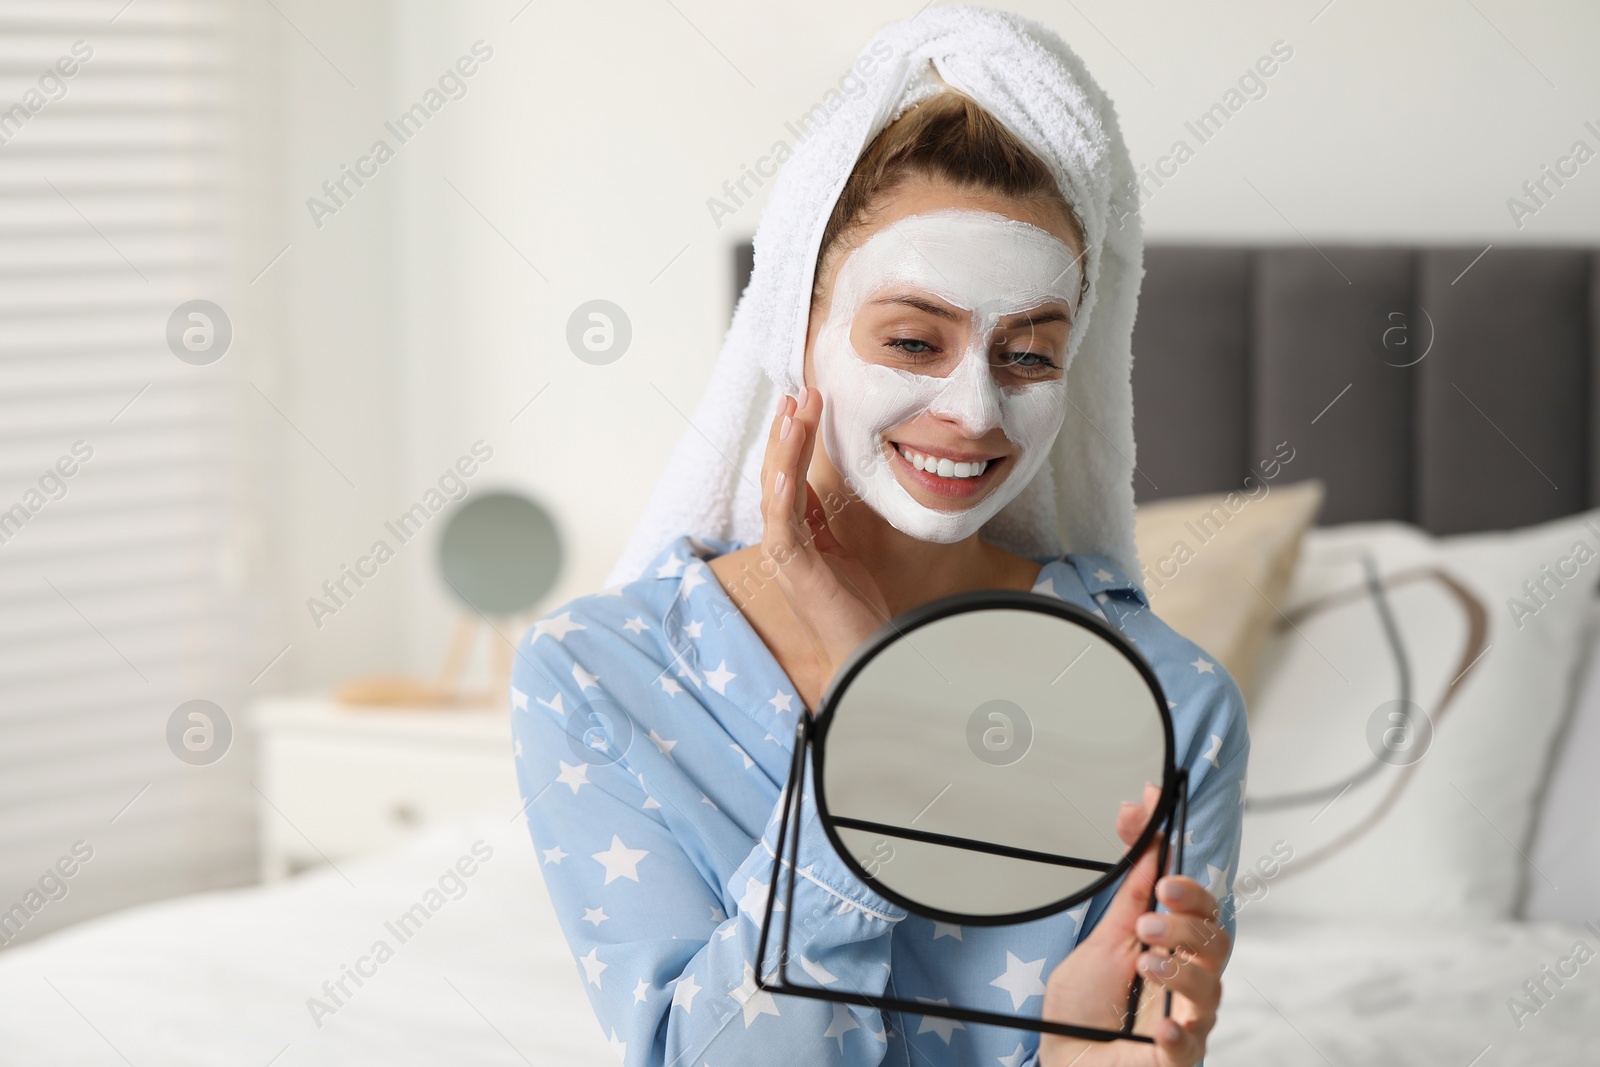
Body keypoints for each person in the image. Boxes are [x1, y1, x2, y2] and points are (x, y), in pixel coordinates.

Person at [510, 8, 1248, 1066]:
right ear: (795, 331)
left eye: (1030, 355)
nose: (977, 409)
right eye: (912, 338)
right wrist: (875, 727)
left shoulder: (1171, 708)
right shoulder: (599, 670)